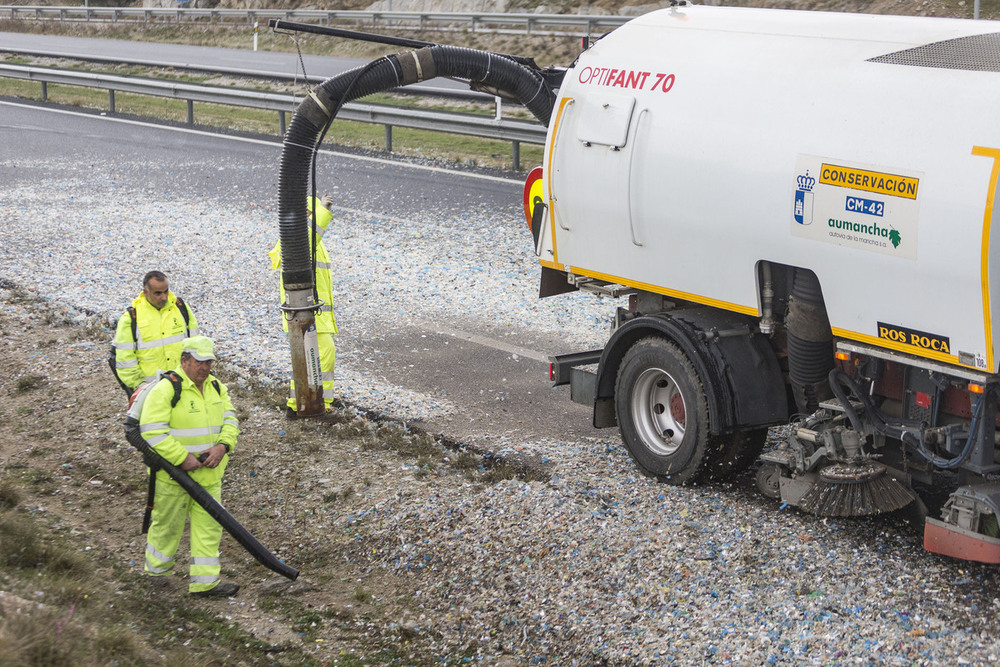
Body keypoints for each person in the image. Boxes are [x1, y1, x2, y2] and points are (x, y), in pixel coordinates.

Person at [139, 335, 240, 597]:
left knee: (209, 529)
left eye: (208, 362)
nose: (205, 368)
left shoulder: (217, 387)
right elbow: (152, 432)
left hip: (209, 476)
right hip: (172, 478)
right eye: (199, 362)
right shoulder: (166, 389)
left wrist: (222, 447)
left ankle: (205, 584)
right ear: (184, 361)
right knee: (167, 526)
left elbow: (230, 420)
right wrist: (182, 458)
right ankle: (156, 576)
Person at [269, 196, 338, 418]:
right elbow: (310, 236)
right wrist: (323, 211)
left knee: (305, 357)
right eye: (311, 213)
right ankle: (321, 405)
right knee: (323, 353)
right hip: (307, 310)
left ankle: (295, 405)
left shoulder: (307, 241)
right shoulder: (298, 240)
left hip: (311, 310)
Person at [112, 270, 198, 395]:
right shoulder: (131, 318)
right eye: (157, 293)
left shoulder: (181, 308)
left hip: (184, 387)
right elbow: (125, 361)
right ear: (146, 293)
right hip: (151, 391)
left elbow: (196, 345)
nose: (163, 297)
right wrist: (140, 387)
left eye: (166, 291)